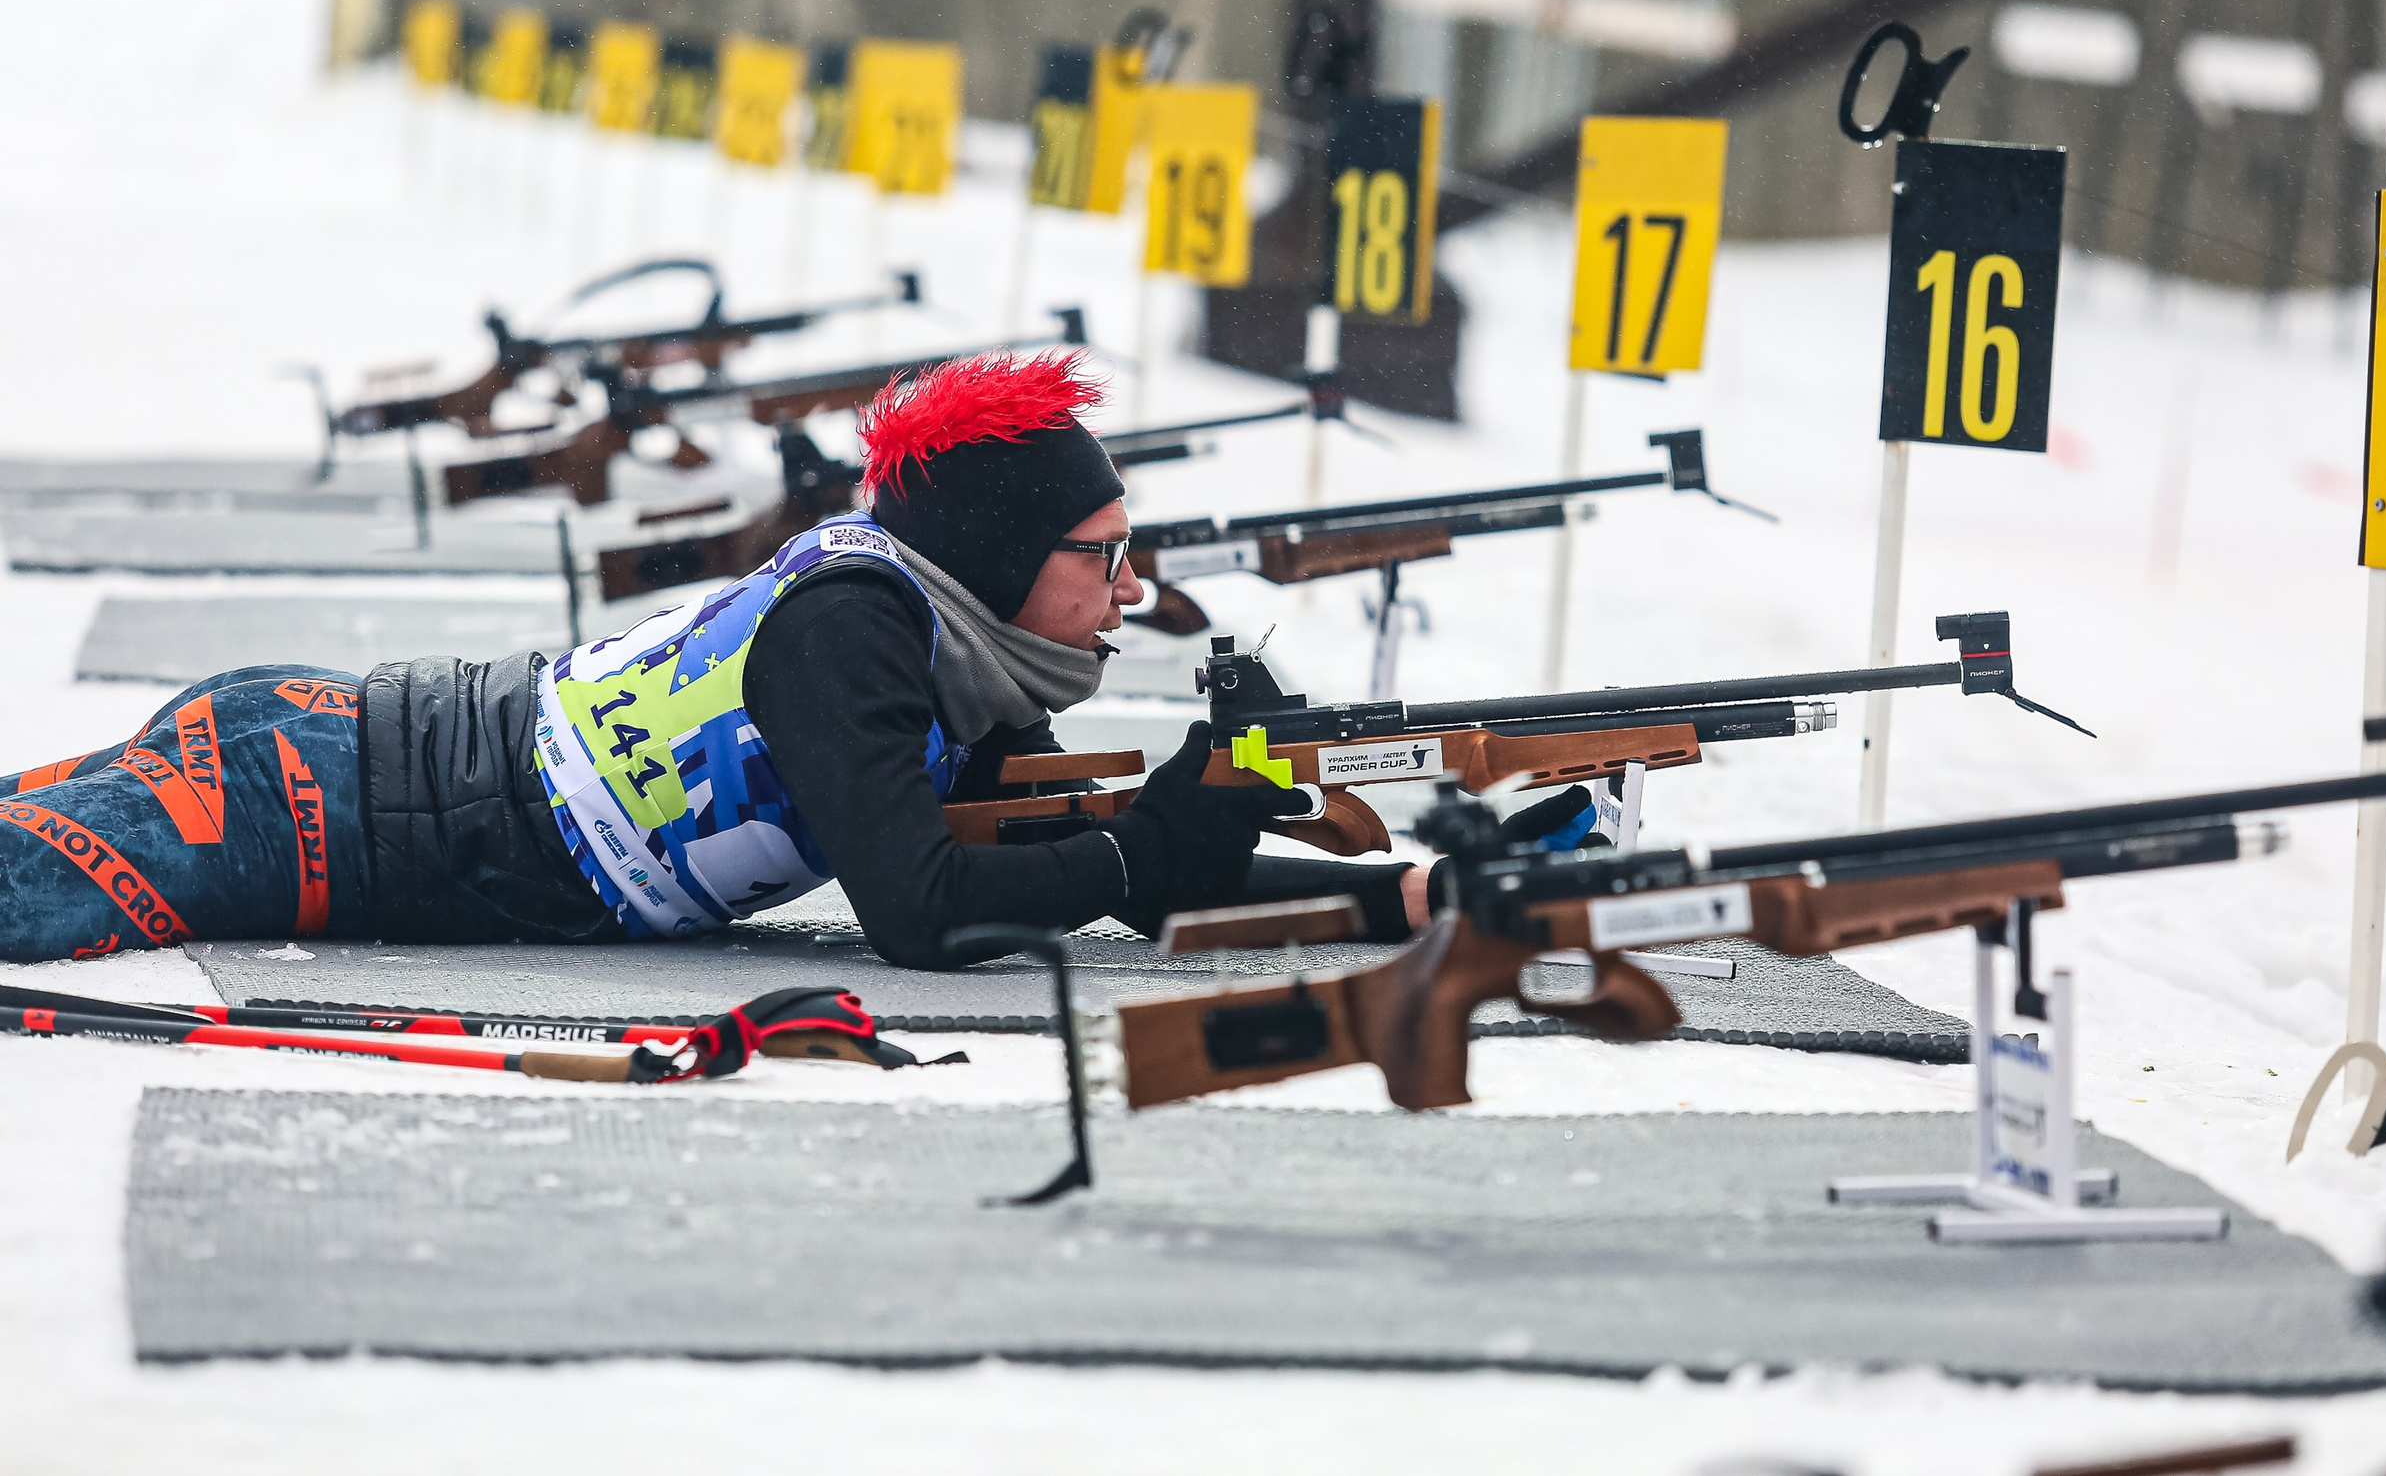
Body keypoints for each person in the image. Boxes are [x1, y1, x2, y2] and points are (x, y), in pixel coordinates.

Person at [0, 350, 1430, 967]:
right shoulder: (854, 631)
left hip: (353, 771)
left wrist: (1399, 896)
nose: (1133, 586)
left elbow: (1107, 880)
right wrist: (1142, 846)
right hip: (322, 800)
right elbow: (923, 911)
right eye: (1102, 552)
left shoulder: (955, 656)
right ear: (1003, 554)